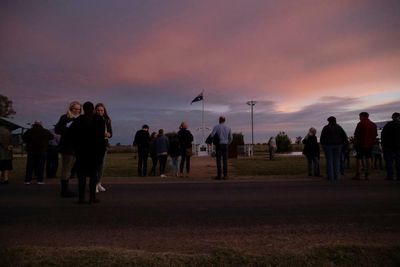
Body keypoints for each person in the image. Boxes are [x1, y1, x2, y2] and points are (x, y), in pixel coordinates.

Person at [70, 101, 106, 204]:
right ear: (93, 109)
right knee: (93, 175)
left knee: (81, 176)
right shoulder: (99, 120)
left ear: (83, 109)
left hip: (81, 152)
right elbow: (101, 138)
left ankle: (81, 198)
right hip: (95, 152)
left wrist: (76, 150)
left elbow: (73, 136)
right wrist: (101, 152)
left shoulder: (78, 120)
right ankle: (92, 198)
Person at [55, 101, 81, 197]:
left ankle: (66, 189)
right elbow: (57, 130)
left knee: (70, 170)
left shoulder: (80, 119)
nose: (77, 111)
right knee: (66, 169)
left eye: (79, 109)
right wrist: (69, 126)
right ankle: (64, 191)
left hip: (76, 148)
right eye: (75, 108)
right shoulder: (65, 117)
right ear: (71, 108)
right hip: (67, 147)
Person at [320, 116, 348, 181]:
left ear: (329, 121)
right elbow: (344, 136)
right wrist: (343, 145)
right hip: (338, 145)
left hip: (328, 146)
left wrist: (323, 145)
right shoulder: (339, 127)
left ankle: (331, 177)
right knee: (337, 161)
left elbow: (322, 138)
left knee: (329, 161)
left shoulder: (326, 128)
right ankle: (337, 176)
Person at [353, 112, 378, 180]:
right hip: (369, 144)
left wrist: (354, 144)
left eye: (360, 116)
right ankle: (367, 174)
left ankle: (358, 174)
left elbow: (356, 135)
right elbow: (375, 135)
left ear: (363, 116)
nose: (359, 118)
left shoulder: (360, 124)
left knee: (359, 159)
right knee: (368, 158)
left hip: (360, 144)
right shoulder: (373, 124)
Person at [95, 103, 112, 193]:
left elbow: (111, 133)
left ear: (104, 111)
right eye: (98, 110)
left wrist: (108, 134)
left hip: (104, 145)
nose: (100, 112)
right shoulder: (93, 119)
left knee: (102, 165)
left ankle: (99, 183)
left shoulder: (107, 120)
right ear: (95, 110)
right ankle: (94, 185)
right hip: (95, 145)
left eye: (101, 110)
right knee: (96, 165)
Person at [381, 112, 400, 180]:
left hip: (388, 146)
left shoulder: (388, 125)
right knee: (398, 161)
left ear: (392, 117)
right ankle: (399, 176)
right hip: (398, 146)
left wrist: (383, 144)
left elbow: (383, 135)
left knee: (389, 162)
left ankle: (390, 175)